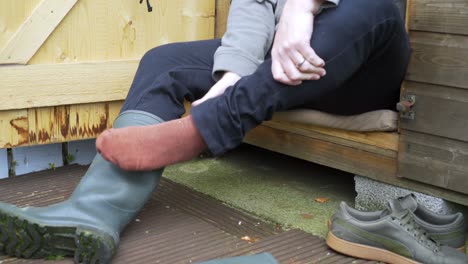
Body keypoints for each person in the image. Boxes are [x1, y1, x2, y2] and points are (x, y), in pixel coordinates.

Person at [0, 0, 410, 263]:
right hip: (273, 70)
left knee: (374, 5)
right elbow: (253, 5)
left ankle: (210, 125)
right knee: (164, 62)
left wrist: (301, 8)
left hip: (356, 67)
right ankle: (92, 213)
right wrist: (231, 74)